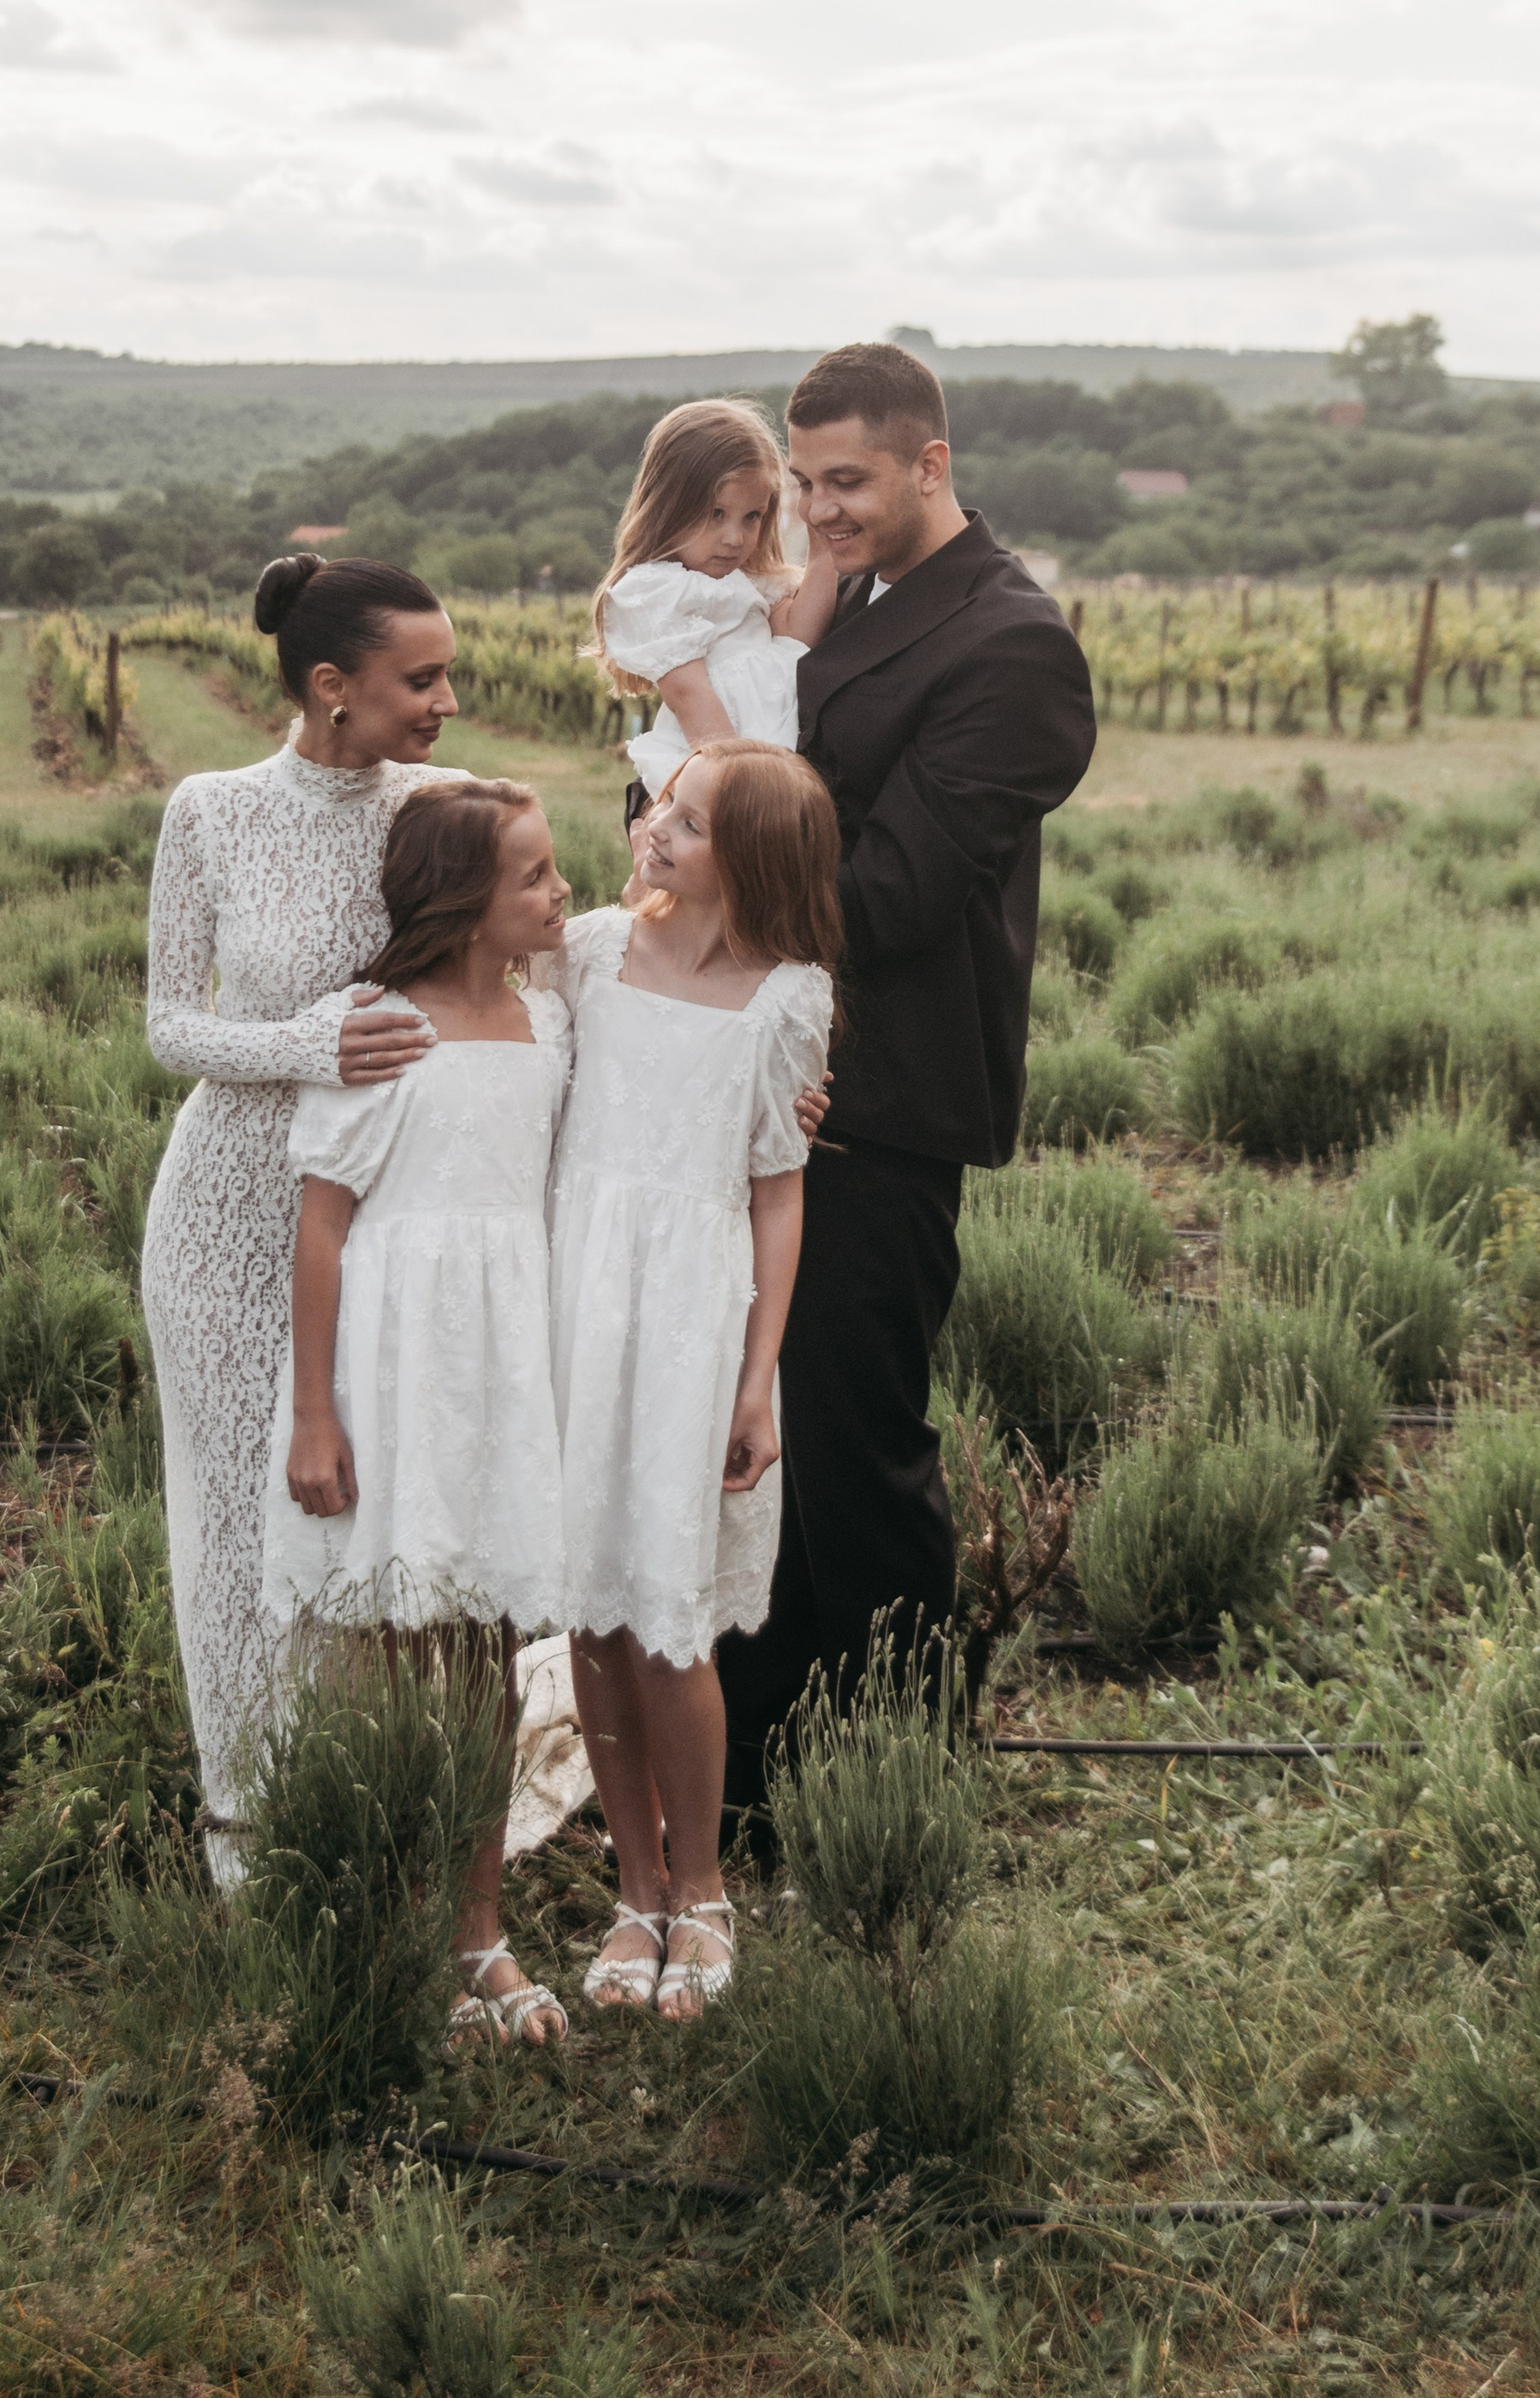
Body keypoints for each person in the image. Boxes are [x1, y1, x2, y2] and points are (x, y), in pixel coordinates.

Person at [715, 342, 1099, 1832]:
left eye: (847, 481)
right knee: (757, 1448)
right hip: (755, 1086)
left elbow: (891, 893)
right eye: (803, 482)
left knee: (857, 1453)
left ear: (931, 464)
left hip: (872, 1102)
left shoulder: (1012, 645)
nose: (817, 511)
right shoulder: (842, 600)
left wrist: (699, 864)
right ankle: (752, 1771)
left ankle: (889, 1788)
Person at [141, 553, 462, 1886]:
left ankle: (357, 1802)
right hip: (225, 1216)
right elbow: (170, 1026)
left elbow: (545, 966)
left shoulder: (452, 808)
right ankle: (242, 1828)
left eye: (451, 672)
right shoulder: (210, 811)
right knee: (229, 1522)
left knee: (364, 1512)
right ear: (331, 687)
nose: (449, 699)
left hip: (394, 1219)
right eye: (421, 677)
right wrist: (308, 1045)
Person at [264, 775, 575, 2048]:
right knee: (398, 1647)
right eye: (538, 878)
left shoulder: (550, 1022)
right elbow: (322, 1230)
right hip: (399, 1360)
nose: (563, 894)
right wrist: (315, 1418)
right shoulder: (380, 1028)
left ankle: (479, 1925)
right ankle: (389, 1917)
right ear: (464, 906)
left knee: (492, 1647)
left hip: (507, 1357)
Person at [542, 739, 839, 2017]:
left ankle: (704, 1888)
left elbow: (780, 1190)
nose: (657, 825)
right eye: (664, 801)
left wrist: (757, 1375)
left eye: (695, 819)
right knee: (596, 1615)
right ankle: (635, 1888)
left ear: (755, 860)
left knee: (671, 1618)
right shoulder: (592, 952)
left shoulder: (790, 1001)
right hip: (573, 1299)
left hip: (691, 1322)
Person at [591, 398, 838, 822]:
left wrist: (824, 543)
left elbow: (797, 637)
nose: (735, 538)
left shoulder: (750, 582)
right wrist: (736, 793)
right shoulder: (658, 591)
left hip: (768, 763)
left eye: (752, 517)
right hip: (718, 767)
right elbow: (691, 698)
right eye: (716, 513)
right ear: (670, 505)